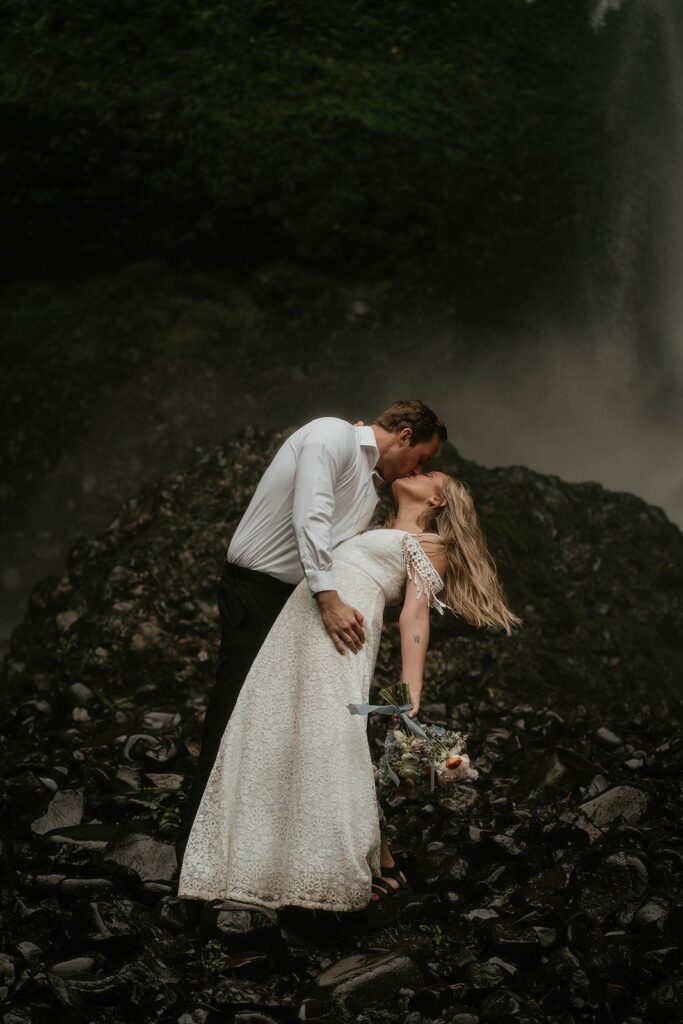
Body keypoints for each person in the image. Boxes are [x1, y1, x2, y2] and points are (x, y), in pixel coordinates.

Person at [176, 468, 521, 911]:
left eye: (428, 473)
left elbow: (415, 616)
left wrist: (410, 688)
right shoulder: (371, 525)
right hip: (299, 622)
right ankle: (278, 860)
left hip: (346, 631)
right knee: (277, 726)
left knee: (329, 735)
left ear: (438, 501)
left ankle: (356, 863)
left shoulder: (433, 546)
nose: (416, 471)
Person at [175, 400, 448, 871]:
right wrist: (328, 598)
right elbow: (311, 516)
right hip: (258, 591)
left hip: (295, 604)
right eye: (421, 458)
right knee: (231, 717)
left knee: (275, 727)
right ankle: (197, 857)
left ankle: (267, 846)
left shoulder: (369, 494)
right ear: (404, 436)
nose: (418, 468)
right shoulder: (331, 435)